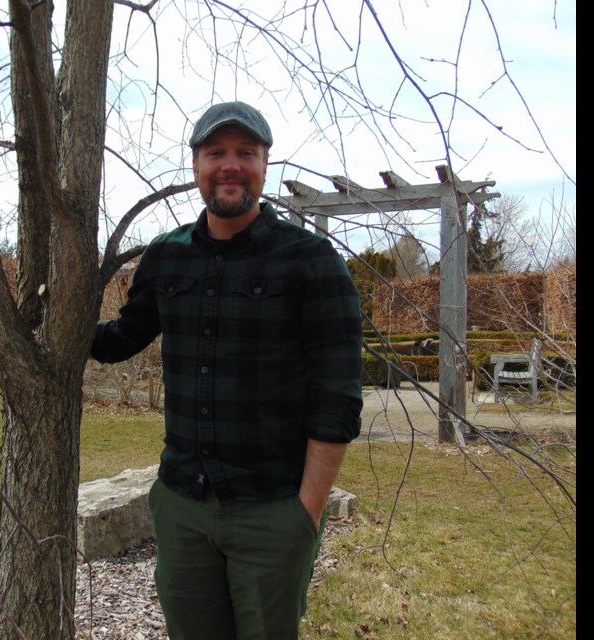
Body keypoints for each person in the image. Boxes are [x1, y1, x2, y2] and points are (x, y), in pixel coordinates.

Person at [90, 101, 363, 639]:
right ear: (196, 166)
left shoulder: (310, 261)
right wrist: (53, 321)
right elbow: (121, 339)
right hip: (182, 507)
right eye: (217, 153)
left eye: (246, 153)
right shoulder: (166, 257)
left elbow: (337, 396)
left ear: (265, 165)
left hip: (273, 509)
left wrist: (305, 515)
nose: (230, 165)